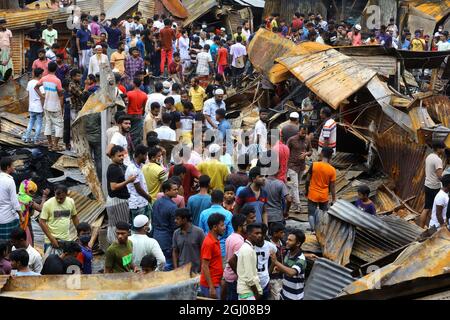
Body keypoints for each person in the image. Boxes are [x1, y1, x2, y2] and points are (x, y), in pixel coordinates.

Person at [105, 145, 135, 244]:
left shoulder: (117, 167)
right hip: (117, 201)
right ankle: (118, 248)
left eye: (123, 155)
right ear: (112, 157)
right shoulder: (114, 168)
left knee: (117, 225)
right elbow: (113, 186)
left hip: (118, 201)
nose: (122, 157)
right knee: (119, 226)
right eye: (119, 156)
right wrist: (128, 181)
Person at [39, 184, 79, 253]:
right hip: (51, 242)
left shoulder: (71, 202)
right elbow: (42, 222)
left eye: (61, 198)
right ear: (54, 193)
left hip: (66, 240)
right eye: (57, 197)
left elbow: (74, 216)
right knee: (51, 262)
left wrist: (79, 232)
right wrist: (52, 239)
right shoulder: (48, 204)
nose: (58, 200)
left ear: (66, 194)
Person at [305, 147, 336, 231]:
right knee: (323, 213)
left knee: (311, 213)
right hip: (324, 195)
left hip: (312, 193)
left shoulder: (314, 165)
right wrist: (333, 199)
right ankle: (322, 230)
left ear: (322, 154)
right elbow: (332, 186)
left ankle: (313, 230)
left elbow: (307, 180)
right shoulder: (332, 170)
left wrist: (306, 191)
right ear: (330, 157)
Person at [269, 229, 307, 300]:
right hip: (283, 294)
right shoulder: (287, 253)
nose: (286, 241)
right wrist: (279, 269)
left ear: (298, 243)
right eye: (287, 239)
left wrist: (276, 262)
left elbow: (292, 272)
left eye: (290, 240)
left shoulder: (301, 259)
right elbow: (285, 269)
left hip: (295, 297)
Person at [34, 61, 64, 151]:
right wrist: (61, 106)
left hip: (46, 105)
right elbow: (60, 94)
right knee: (59, 125)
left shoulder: (44, 78)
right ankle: (55, 145)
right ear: (56, 69)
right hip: (55, 106)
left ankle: (50, 144)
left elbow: (36, 87)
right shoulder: (57, 80)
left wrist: (42, 96)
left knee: (48, 124)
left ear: (48, 68)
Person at [151, 180, 179, 270]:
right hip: (167, 239)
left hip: (156, 235)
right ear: (167, 191)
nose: (177, 191)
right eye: (174, 190)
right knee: (168, 264)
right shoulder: (173, 206)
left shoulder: (156, 203)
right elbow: (174, 226)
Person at [199, 190, 233, 260]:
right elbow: (230, 235)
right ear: (223, 200)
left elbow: (201, 233)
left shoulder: (203, 213)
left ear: (210, 200)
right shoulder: (228, 214)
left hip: (207, 250)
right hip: (222, 250)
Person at [287, 125, 312, 212]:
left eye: (305, 133)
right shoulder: (291, 140)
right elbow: (287, 151)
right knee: (295, 185)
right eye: (302, 133)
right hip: (292, 165)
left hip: (302, 166)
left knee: (295, 185)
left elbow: (311, 151)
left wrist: (305, 154)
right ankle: (298, 205)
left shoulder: (307, 139)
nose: (304, 134)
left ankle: (289, 202)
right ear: (298, 131)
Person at [200, 213, 226, 299]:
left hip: (215, 283)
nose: (224, 227)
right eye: (222, 225)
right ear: (215, 227)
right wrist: (211, 287)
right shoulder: (209, 243)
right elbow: (205, 266)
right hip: (210, 286)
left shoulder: (215, 240)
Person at [235, 223, 263, 300]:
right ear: (249, 234)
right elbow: (249, 278)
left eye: (260, 233)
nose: (259, 236)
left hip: (248, 292)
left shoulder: (249, 248)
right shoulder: (247, 250)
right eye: (256, 233)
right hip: (248, 293)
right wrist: (257, 294)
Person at [172, 208, 205, 273]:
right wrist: (176, 269)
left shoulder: (199, 232)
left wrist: (202, 268)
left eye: (177, 219)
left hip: (196, 270)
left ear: (184, 219)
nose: (175, 221)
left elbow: (204, 251)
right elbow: (175, 251)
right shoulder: (176, 233)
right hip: (182, 271)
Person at [222, 214, 246, 300]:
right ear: (240, 227)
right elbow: (233, 261)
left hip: (229, 275)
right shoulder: (239, 242)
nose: (246, 227)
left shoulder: (230, 237)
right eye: (245, 225)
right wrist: (242, 276)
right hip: (234, 278)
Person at [125, 145, 152, 220]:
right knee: (138, 227)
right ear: (140, 155)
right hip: (137, 204)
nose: (146, 157)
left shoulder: (139, 166)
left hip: (142, 202)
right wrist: (148, 197)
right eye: (145, 155)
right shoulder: (132, 169)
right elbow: (138, 189)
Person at [0, 157, 21, 242]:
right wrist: (21, 215)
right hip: (8, 218)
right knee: (11, 243)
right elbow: (14, 201)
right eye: (13, 165)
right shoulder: (9, 180)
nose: (14, 167)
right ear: (8, 167)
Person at [255, 224, 277, 300]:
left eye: (258, 233)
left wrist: (268, 274)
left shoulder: (271, 246)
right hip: (253, 284)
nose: (256, 236)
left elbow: (274, 260)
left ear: (264, 235)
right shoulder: (249, 246)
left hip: (265, 282)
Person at [23, 68, 45, 144]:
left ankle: (26, 137)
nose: (43, 75)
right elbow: (42, 97)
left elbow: (28, 95)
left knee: (31, 122)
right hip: (38, 107)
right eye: (42, 74)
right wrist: (43, 108)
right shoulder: (39, 84)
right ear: (39, 75)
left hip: (31, 106)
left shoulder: (29, 83)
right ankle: (36, 139)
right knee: (39, 124)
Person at [268, 222, 285, 300]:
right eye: (281, 232)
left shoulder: (283, 243)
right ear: (275, 233)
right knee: (276, 296)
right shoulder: (268, 246)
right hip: (273, 276)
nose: (283, 234)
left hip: (282, 275)